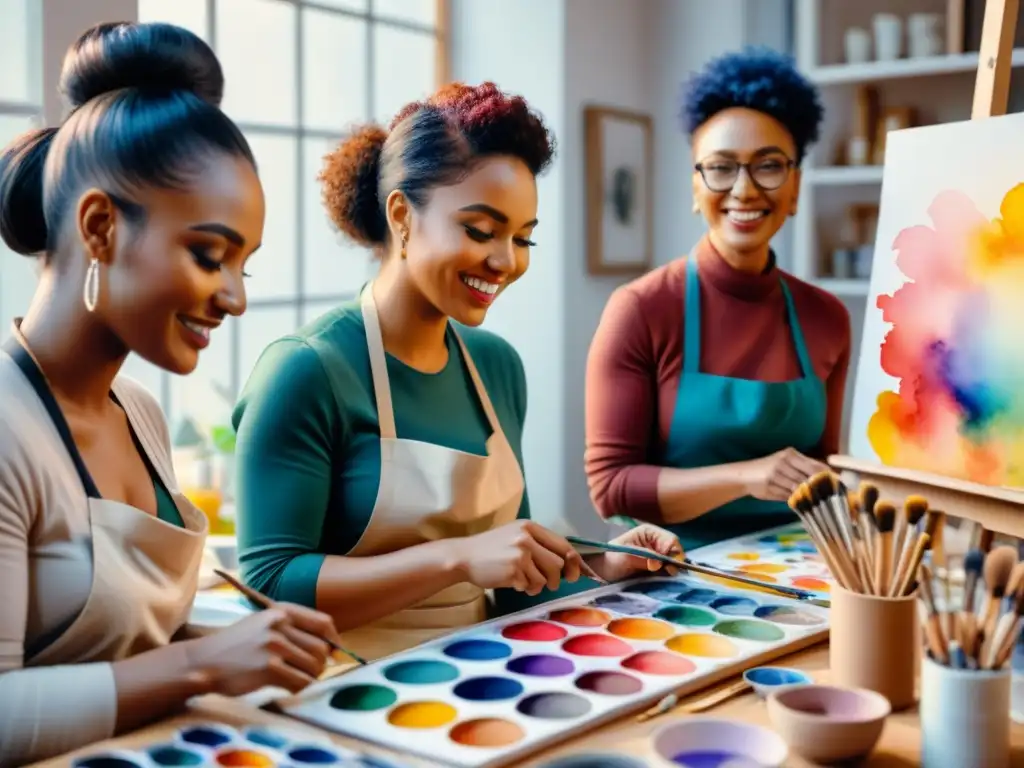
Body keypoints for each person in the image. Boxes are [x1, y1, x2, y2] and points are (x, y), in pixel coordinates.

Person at [232, 82, 682, 662]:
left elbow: (509, 574)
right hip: (339, 691)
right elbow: (266, 588)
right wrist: (458, 558)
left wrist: (608, 561)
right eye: (480, 230)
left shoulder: (497, 367)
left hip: (480, 675)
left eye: (523, 238)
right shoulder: (304, 371)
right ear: (401, 215)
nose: (505, 261)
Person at [0, 22, 342, 765]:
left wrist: (247, 644)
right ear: (99, 227)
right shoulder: (5, 430)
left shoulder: (142, 415)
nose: (235, 298)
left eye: (243, 265)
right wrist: (204, 665)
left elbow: (128, 641)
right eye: (209, 255)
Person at [585, 48, 852, 553]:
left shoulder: (828, 318)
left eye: (769, 166)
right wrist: (747, 477)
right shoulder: (640, 309)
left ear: (795, 188)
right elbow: (611, 488)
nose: (745, 189)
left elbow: (823, 468)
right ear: (695, 186)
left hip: (795, 571)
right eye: (722, 168)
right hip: (669, 572)